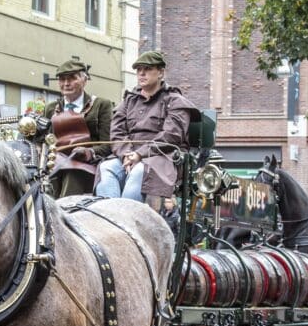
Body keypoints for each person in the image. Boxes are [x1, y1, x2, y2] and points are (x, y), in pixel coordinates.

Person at [96, 51, 200, 208]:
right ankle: (110, 218)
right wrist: (127, 155)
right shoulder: (128, 101)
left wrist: (140, 154)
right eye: (138, 70)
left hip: (163, 157)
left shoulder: (175, 101)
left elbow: (171, 136)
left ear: (160, 72)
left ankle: (126, 219)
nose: (141, 73)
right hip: (129, 156)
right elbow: (116, 133)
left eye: (147, 69)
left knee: (140, 172)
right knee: (106, 168)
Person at [43, 58, 114, 197]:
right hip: (56, 164)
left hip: (86, 165)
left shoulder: (101, 105)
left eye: (72, 78)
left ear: (84, 80)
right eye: (62, 79)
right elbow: (45, 142)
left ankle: (65, 214)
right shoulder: (51, 109)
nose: (66, 83)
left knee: (72, 173)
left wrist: (89, 152)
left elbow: (108, 144)